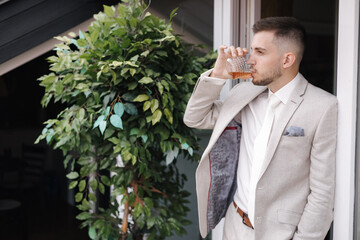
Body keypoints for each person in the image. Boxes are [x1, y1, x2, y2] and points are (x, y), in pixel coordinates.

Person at [184, 17, 337, 240]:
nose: (250, 60)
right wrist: (218, 75)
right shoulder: (243, 95)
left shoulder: (323, 106)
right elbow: (195, 118)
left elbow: (322, 192)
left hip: (281, 234)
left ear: (287, 59)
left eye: (260, 52)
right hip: (234, 227)